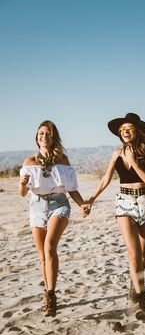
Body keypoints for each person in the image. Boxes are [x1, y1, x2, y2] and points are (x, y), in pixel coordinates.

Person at [87, 112, 145, 323]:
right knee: (134, 253)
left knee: (144, 254)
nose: (125, 131)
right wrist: (91, 199)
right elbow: (106, 178)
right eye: (122, 129)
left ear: (137, 131)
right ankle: (144, 303)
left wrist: (133, 163)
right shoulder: (116, 153)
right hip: (124, 203)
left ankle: (133, 288)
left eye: (129, 128)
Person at [19, 120, 88, 317]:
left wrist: (82, 204)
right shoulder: (29, 162)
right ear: (36, 137)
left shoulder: (63, 161)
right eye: (41, 133)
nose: (44, 136)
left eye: (48, 133)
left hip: (59, 204)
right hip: (37, 207)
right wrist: (23, 184)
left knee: (50, 247)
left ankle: (51, 294)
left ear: (53, 137)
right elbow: (23, 193)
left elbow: (71, 188)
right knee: (42, 256)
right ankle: (48, 296)